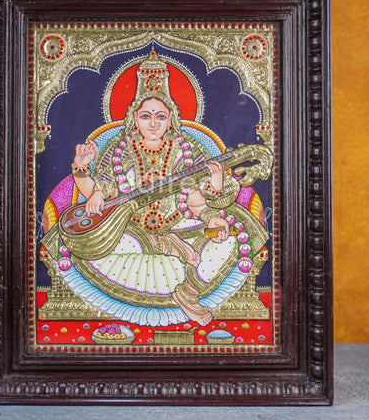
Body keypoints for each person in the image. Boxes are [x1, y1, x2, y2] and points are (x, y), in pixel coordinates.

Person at [64, 50, 248, 326]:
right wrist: (82, 169)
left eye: (160, 117)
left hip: (180, 226)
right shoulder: (119, 150)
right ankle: (165, 246)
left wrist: (212, 213)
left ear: (171, 118)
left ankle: (188, 293)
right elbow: (97, 195)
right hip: (129, 230)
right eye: (146, 116)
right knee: (96, 245)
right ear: (134, 118)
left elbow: (196, 201)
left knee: (230, 237)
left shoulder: (186, 150)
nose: (153, 123)